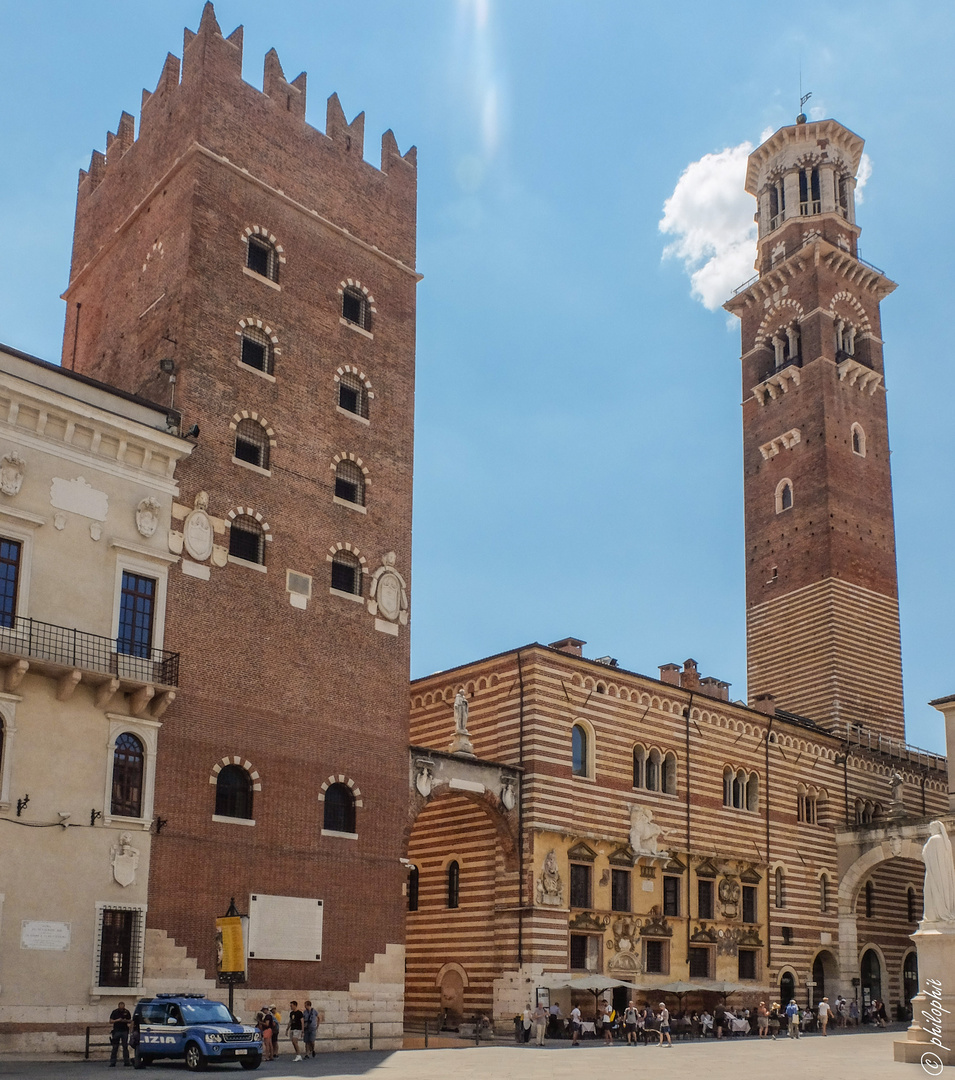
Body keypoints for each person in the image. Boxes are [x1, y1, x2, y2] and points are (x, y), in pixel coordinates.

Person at [108, 1001, 131, 1067]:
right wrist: (118, 1020)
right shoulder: (115, 1012)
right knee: (115, 1047)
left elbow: (130, 1020)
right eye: (120, 1007)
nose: (121, 1008)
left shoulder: (126, 1012)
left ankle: (126, 1062)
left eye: (122, 1007)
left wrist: (125, 1021)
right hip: (116, 1031)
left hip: (124, 1031)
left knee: (125, 1047)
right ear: (118, 1006)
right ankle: (113, 1062)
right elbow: (110, 1021)